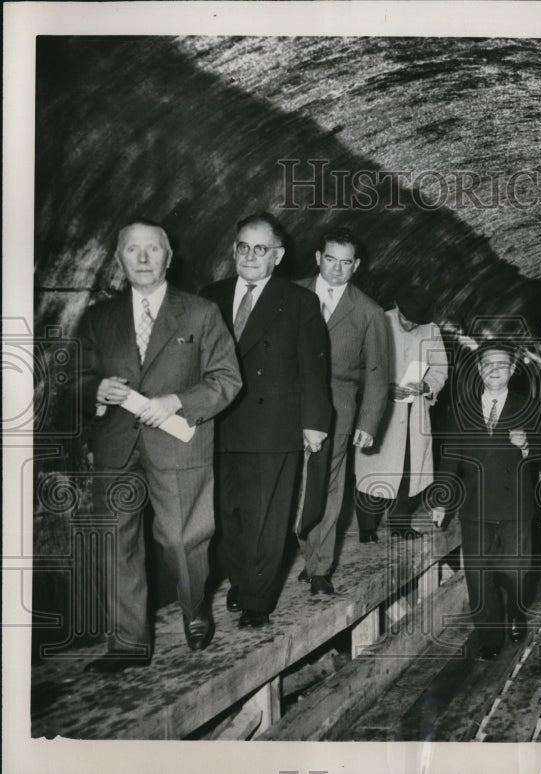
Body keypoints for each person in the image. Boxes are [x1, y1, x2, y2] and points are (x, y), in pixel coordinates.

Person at [78, 219, 242, 672]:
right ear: (119, 259)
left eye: (153, 250)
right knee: (116, 542)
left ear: (169, 258)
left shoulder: (200, 313)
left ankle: (195, 609)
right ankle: (128, 643)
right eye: (133, 250)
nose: (144, 259)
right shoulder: (99, 317)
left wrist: (177, 401)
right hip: (116, 444)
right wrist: (95, 389)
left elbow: (228, 380)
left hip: (178, 443)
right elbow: (72, 377)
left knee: (180, 539)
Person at [201, 213, 331, 627]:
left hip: (273, 426)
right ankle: (241, 577)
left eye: (260, 249)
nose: (250, 256)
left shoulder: (298, 302)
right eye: (243, 247)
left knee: (266, 517)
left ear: (277, 256)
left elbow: (314, 367)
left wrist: (314, 422)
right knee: (226, 515)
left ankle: (257, 597)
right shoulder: (211, 296)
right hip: (217, 425)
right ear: (234, 250)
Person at [432, 341, 541, 660]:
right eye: (488, 364)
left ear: (513, 370)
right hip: (475, 506)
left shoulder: (529, 406)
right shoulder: (461, 409)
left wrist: (527, 444)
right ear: (479, 369)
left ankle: (515, 611)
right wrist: (443, 499)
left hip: (516, 505)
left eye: (502, 364)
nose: (495, 370)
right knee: (479, 575)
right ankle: (489, 637)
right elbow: (449, 459)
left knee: (515, 571)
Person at [294, 227, 389, 592]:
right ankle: (307, 549)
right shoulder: (290, 294)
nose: (336, 269)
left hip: (338, 410)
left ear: (357, 266)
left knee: (329, 488)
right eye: (330, 259)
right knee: (294, 488)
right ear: (318, 258)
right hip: (289, 406)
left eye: (345, 263)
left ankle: (320, 567)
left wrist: (368, 420)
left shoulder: (368, 311)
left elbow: (377, 371)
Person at [354, 284, 448, 540]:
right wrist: (383, 388)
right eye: (406, 320)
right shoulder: (377, 321)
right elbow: (357, 367)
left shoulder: (431, 331)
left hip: (414, 412)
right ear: (398, 308)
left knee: (409, 469)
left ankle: (400, 524)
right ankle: (367, 527)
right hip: (380, 411)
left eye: (415, 323)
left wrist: (427, 385)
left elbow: (440, 368)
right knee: (373, 469)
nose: (409, 326)